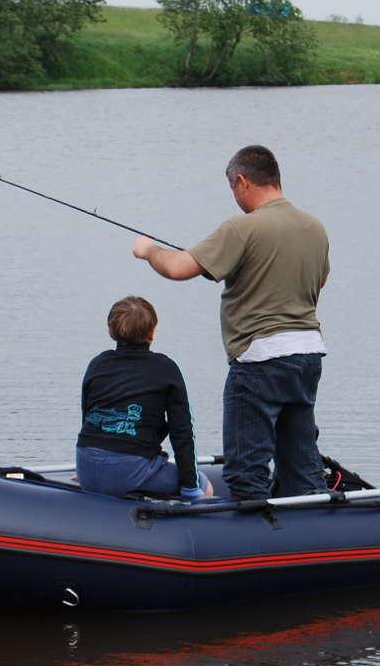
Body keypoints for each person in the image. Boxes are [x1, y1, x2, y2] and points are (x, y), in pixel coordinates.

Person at [129, 145, 329, 501]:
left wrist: (148, 250)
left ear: (241, 181)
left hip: (259, 360)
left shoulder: (243, 227)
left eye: (233, 189)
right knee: (301, 462)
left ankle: (251, 543)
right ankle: (312, 537)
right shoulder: (314, 227)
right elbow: (319, 282)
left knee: (246, 469)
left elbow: (177, 268)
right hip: (307, 356)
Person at [75, 296, 205, 500]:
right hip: (130, 469)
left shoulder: (97, 364)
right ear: (152, 332)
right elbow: (182, 431)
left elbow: (88, 415)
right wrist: (190, 487)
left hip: (85, 462)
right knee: (205, 485)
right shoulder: (166, 368)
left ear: (111, 331)